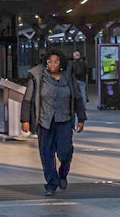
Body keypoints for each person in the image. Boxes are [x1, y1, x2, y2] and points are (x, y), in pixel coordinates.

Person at [20, 51, 87, 197]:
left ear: (61, 63)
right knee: (47, 154)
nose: (52, 65)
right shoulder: (38, 78)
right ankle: (51, 184)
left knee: (66, 150)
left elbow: (77, 97)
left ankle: (63, 173)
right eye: (50, 62)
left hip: (64, 120)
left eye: (56, 62)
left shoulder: (68, 78)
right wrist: (25, 120)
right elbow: (27, 100)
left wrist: (81, 119)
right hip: (45, 122)